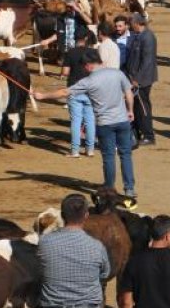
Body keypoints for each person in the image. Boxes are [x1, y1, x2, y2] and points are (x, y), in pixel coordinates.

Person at [32, 52, 137, 203]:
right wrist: (130, 110)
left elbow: (64, 92)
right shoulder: (117, 73)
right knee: (125, 154)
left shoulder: (89, 81)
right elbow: (128, 92)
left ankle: (109, 187)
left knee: (108, 157)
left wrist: (42, 96)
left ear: (89, 65)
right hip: (122, 121)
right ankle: (130, 188)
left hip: (105, 123)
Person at [62, 31, 98, 158]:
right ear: (86, 38)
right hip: (91, 90)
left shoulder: (70, 52)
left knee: (76, 121)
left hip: (74, 88)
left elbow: (65, 72)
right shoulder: (93, 52)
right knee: (90, 120)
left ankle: (75, 151)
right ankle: (90, 149)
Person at [124, 14, 158, 147]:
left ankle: (149, 135)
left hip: (142, 79)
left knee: (143, 107)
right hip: (135, 78)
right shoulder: (138, 36)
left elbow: (147, 61)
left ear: (137, 23)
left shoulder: (148, 37)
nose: (130, 26)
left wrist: (138, 78)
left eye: (131, 23)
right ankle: (139, 133)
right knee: (137, 107)